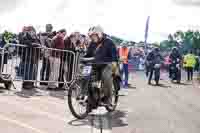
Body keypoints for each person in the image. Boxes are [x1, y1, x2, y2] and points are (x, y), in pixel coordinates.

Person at [85, 25, 118, 110]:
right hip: (96, 65)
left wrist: (114, 64)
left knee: (106, 77)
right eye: (91, 36)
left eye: (94, 35)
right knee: (87, 78)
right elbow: (88, 54)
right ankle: (91, 99)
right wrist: (83, 60)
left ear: (99, 34)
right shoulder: (92, 43)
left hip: (107, 64)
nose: (92, 37)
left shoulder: (109, 42)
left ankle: (108, 100)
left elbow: (114, 55)